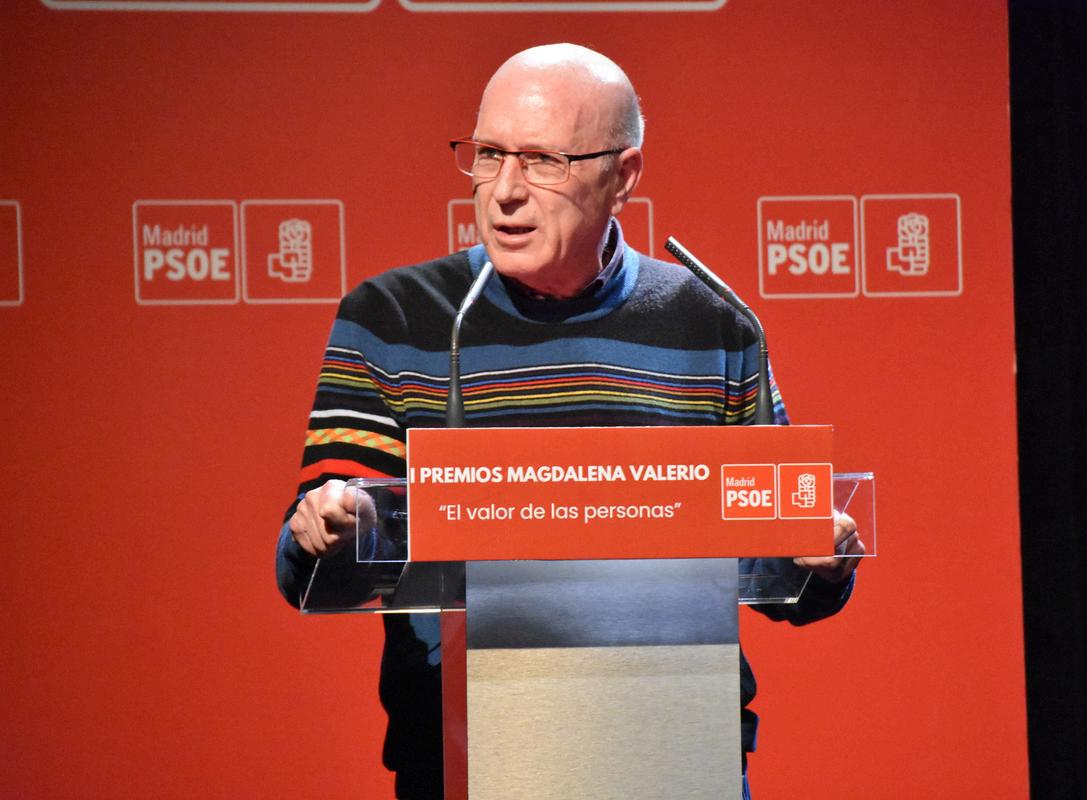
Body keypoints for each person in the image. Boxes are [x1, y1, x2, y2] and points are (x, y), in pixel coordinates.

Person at [276, 43, 863, 799]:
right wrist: (328, 527)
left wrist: (819, 559)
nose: (503, 192)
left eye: (543, 161)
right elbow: (313, 564)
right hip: (463, 764)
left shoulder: (713, 323)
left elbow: (780, 566)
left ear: (623, 176)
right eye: (489, 154)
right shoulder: (395, 318)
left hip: (676, 759)